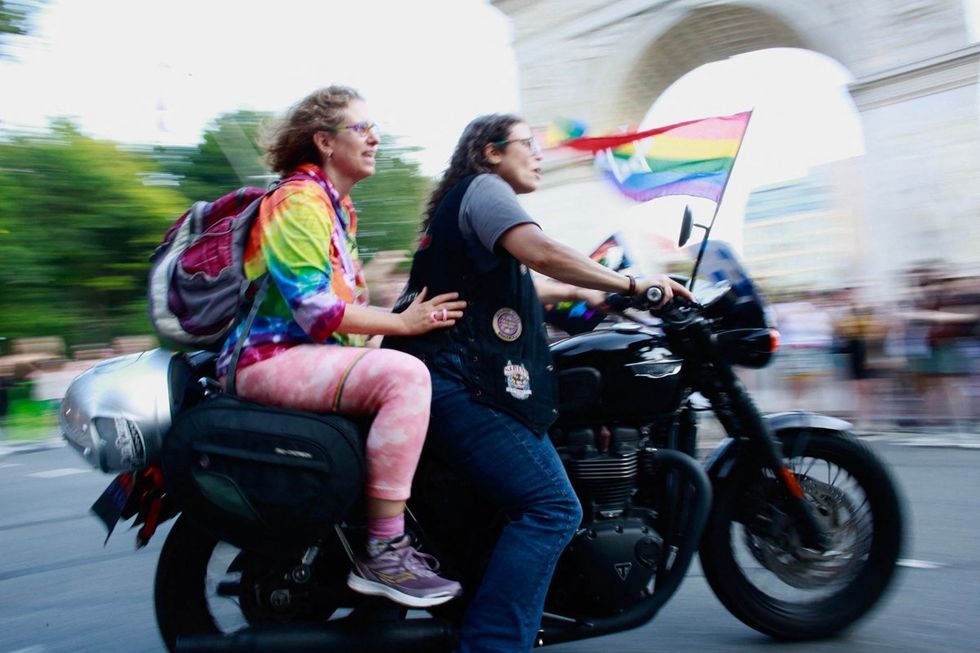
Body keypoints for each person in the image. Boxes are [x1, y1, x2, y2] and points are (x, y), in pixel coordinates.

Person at [383, 114, 693, 652]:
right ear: (491, 151)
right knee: (553, 507)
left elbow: (513, 283)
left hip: (443, 375)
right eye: (528, 143)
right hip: (459, 381)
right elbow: (541, 252)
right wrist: (634, 284)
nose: (539, 153)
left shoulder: (465, 200)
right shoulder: (484, 189)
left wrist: (596, 297)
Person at [216, 86, 465, 608]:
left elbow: (345, 318)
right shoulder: (299, 201)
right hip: (268, 361)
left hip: (303, 356)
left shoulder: (338, 208)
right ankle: (383, 550)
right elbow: (316, 311)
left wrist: (403, 326)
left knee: (413, 365)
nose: (375, 138)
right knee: (405, 376)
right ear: (326, 142)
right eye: (361, 128)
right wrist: (406, 323)